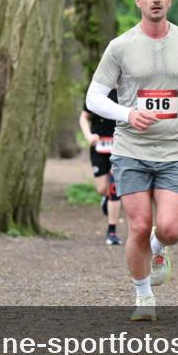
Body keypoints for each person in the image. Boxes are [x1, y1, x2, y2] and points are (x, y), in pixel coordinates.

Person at [85, 0, 178, 322]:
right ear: (138, 0)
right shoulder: (120, 47)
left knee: (170, 229)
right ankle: (143, 296)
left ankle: (158, 249)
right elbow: (94, 96)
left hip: (175, 151)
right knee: (139, 226)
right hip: (131, 152)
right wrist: (126, 114)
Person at [79, 88, 123, 246]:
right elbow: (83, 117)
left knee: (114, 188)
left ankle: (112, 231)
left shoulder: (127, 91)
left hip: (120, 146)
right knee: (102, 189)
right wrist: (88, 136)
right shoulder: (96, 92)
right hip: (99, 146)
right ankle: (105, 199)